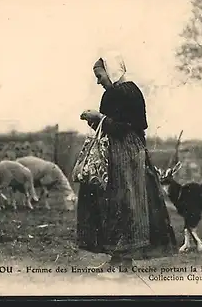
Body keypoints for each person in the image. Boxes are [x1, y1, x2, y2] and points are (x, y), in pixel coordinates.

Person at [77, 51, 177, 266]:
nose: (98, 81)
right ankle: (120, 258)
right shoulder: (131, 90)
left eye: (100, 76)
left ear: (111, 71)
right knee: (126, 203)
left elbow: (124, 128)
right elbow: (122, 125)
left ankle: (121, 259)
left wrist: (99, 118)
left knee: (120, 202)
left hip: (123, 154)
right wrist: (97, 121)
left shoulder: (119, 92)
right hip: (131, 152)